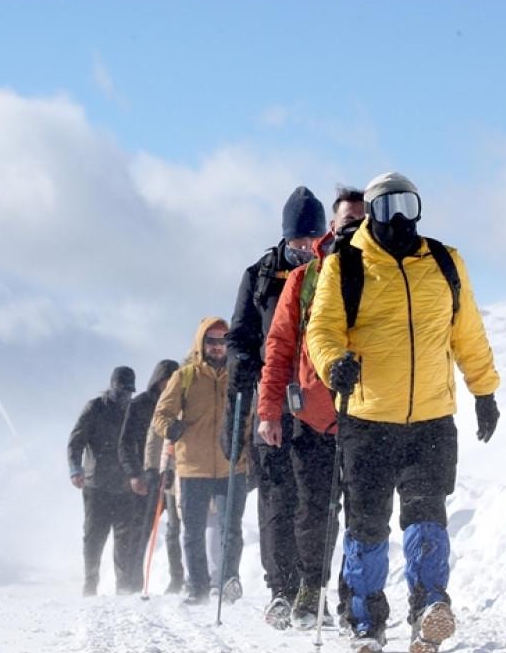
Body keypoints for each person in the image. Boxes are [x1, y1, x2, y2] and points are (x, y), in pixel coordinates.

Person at [306, 172, 501, 653]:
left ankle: (429, 605)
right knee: (368, 523)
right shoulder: (347, 265)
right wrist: (334, 364)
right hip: (368, 419)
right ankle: (365, 618)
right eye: (387, 207)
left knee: (426, 514)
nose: (399, 218)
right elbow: (322, 329)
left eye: (407, 206)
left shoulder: (444, 261)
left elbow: (467, 332)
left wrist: (484, 391)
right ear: (370, 213)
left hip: (431, 419)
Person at [256, 185, 366, 629]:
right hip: (312, 414)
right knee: (313, 509)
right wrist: (269, 410)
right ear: (331, 227)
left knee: (363, 514)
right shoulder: (304, 280)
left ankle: (353, 597)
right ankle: (310, 587)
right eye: (348, 222)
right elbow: (279, 347)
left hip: (369, 413)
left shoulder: (386, 276)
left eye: (362, 221)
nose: (355, 229)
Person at [224, 185, 328, 627]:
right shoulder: (260, 275)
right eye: (297, 239)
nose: (304, 247)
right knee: (276, 497)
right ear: (285, 236)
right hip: (272, 400)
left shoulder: (329, 273)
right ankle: (280, 588)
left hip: (316, 401)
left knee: (314, 499)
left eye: (311, 238)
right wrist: (244, 362)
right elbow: (239, 334)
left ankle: (312, 587)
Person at [151, 317, 249, 605]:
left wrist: (248, 449)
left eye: (222, 341)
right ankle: (197, 587)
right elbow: (160, 415)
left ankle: (227, 582)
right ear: (201, 343)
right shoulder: (184, 377)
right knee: (192, 531)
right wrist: (171, 428)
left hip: (231, 464)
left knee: (231, 529)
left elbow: (250, 415)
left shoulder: (238, 375)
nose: (217, 346)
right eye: (211, 341)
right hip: (193, 465)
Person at [67, 365, 140, 596]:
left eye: (128, 391)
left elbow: (141, 443)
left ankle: (123, 586)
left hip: (125, 486)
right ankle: (90, 581)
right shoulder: (95, 408)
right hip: (96, 485)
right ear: (112, 386)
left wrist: (140, 474)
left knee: (124, 538)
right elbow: (76, 441)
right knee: (94, 536)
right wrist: (75, 469)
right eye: (121, 390)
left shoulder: (133, 412)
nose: (124, 395)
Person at [118, 358, 182, 594]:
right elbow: (126, 443)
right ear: (157, 380)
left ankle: (178, 580)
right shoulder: (140, 404)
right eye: (166, 380)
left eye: (173, 380)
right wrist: (136, 474)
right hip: (147, 478)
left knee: (176, 529)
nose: (169, 385)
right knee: (140, 530)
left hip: (175, 475)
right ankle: (131, 582)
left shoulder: (182, 402)